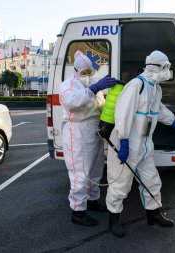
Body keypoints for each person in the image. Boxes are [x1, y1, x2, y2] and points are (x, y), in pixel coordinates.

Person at [105, 50, 175, 238]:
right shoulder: (137, 85)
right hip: (126, 144)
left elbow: (159, 111)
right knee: (120, 183)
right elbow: (123, 114)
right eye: (166, 67)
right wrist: (124, 141)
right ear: (155, 67)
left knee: (152, 181)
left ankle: (153, 214)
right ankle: (113, 219)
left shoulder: (155, 88)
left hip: (144, 147)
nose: (168, 71)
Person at [59, 50, 117, 226]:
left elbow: (100, 104)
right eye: (85, 72)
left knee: (96, 169)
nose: (88, 75)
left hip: (94, 130)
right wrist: (94, 88)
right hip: (78, 132)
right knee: (80, 173)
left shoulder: (91, 82)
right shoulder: (67, 85)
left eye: (90, 72)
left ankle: (92, 200)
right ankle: (78, 212)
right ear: (76, 70)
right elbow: (73, 102)